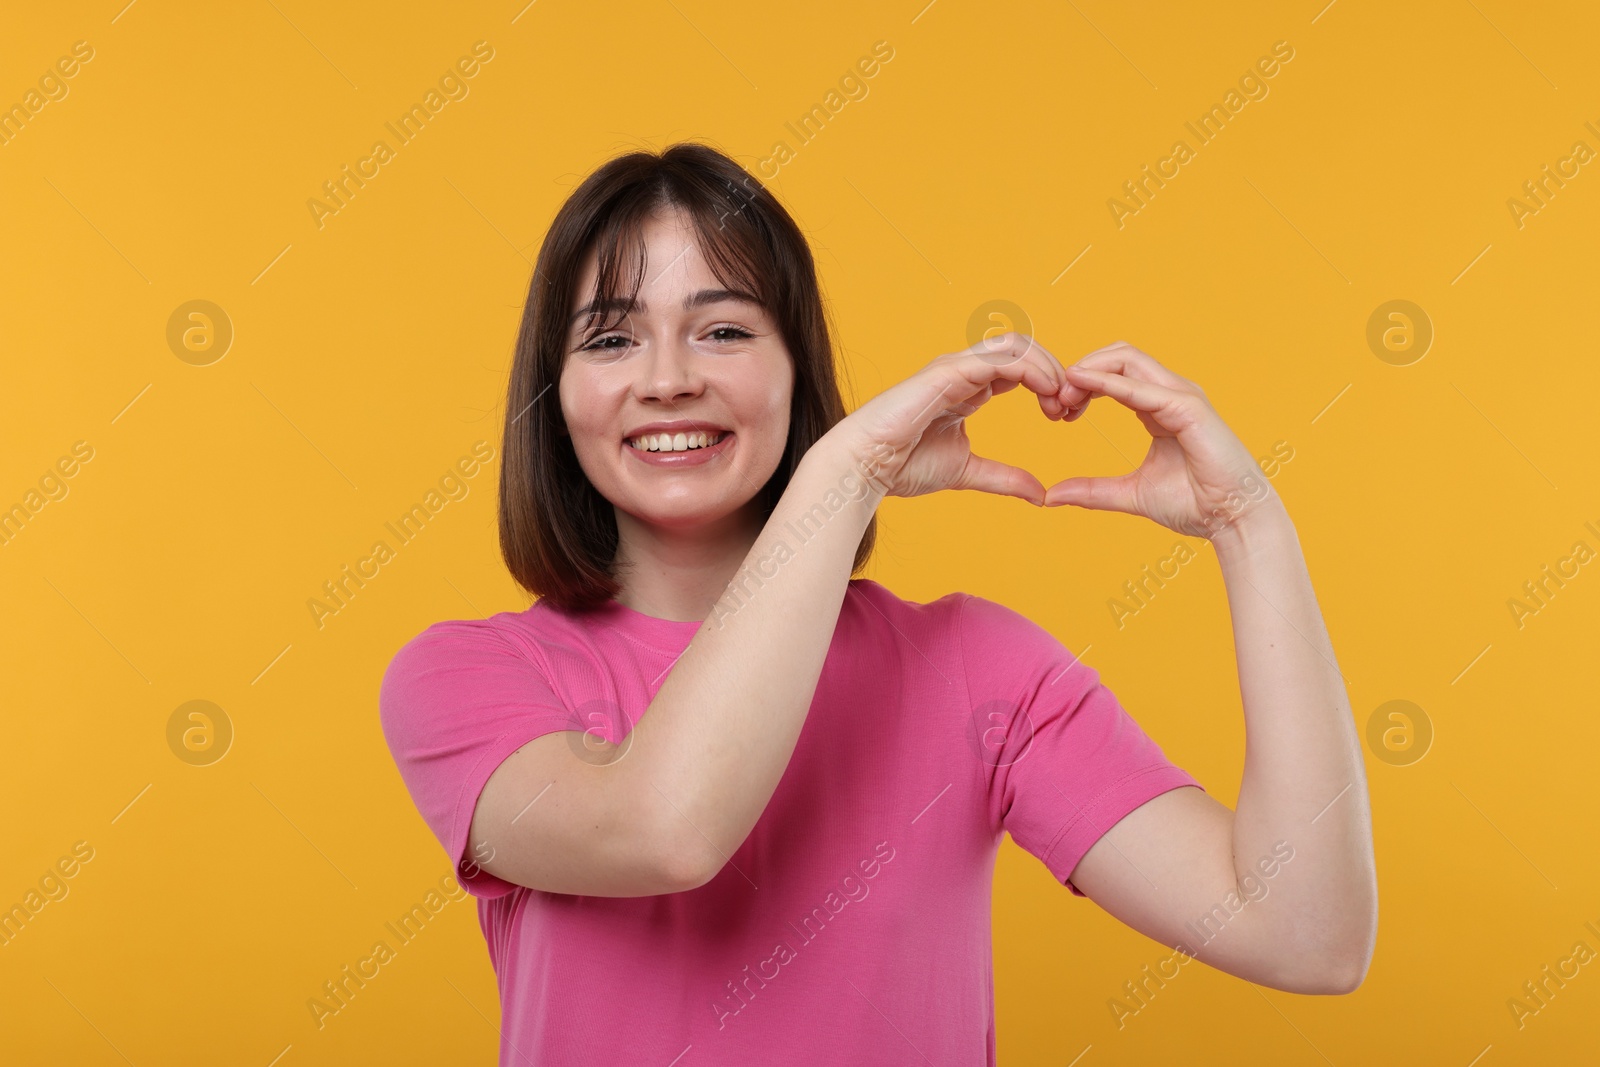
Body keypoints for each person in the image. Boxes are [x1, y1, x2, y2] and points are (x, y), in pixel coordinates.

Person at [378, 141, 1377, 1065]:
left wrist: (1251, 525)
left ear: (794, 372)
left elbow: (1303, 930)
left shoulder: (977, 667)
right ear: (553, 394)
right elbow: (663, 830)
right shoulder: (471, 676)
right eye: (610, 340)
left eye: (723, 328)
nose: (668, 379)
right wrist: (846, 467)